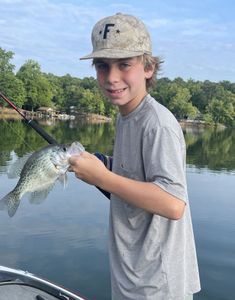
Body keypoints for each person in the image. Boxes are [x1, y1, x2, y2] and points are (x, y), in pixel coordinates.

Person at [69, 13, 201, 300]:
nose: (112, 78)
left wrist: (104, 177)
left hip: (156, 284)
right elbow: (138, 180)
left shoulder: (158, 124)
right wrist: (103, 167)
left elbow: (173, 203)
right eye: (103, 66)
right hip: (133, 275)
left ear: (148, 68)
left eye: (124, 64)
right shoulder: (126, 116)